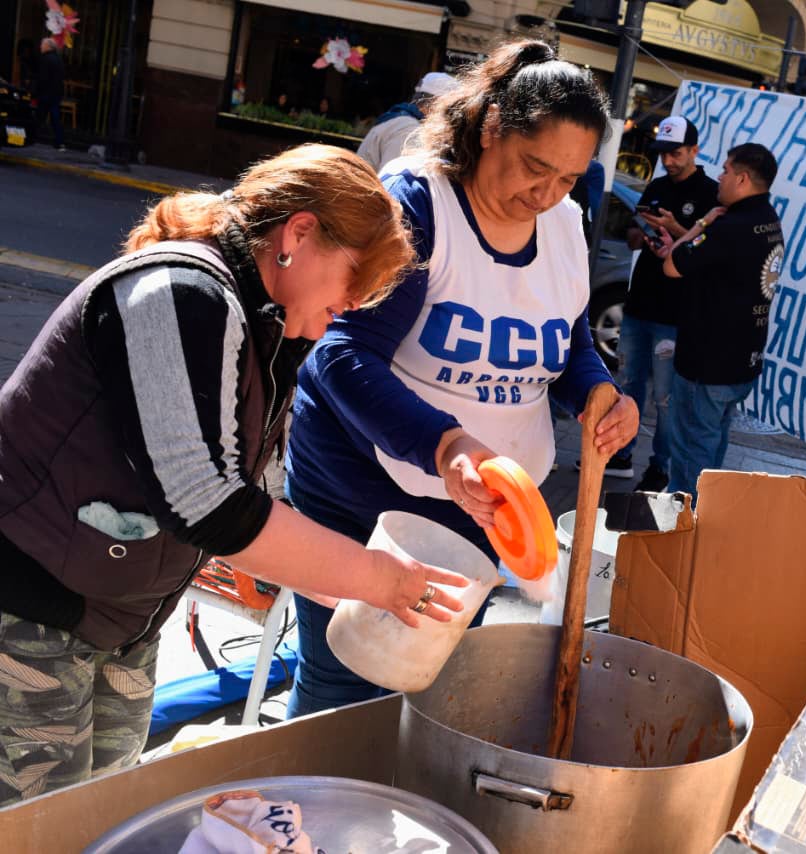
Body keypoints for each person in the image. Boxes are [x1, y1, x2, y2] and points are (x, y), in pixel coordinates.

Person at [0, 144, 467, 805]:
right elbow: (206, 503)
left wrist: (323, 568)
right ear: (298, 234)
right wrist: (375, 579)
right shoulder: (181, 294)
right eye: (352, 282)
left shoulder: (263, 316)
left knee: (94, 821)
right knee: (32, 828)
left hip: (118, 615)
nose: (353, 306)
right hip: (26, 604)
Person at [283, 40, 640, 718]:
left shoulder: (565, 224)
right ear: (491, 127)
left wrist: (598, 394)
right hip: (365, 491)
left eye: (569, 178)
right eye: (536, 168)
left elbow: (562, 344)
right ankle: (309, 816)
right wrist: (448, 447)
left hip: (484, 512)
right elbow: (341, 355)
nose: (547, 194)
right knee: (345, 689)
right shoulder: (421, 204)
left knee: (427, 690)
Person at [652, 142, 783, 502]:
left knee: (691, 455)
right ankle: (702, 518)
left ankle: (682, 527)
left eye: (725, 170)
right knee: (712, 449)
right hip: (741, 361)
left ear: (741, 178)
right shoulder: (768, 220)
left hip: (706, 365)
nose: (720, 176)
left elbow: (671, 265)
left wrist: (703, 222)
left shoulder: (729, 226)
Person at [610, 115, 720, 490]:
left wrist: (675, 228)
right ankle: (621, 452)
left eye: (676, 153)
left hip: (676, 313)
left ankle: (661, 467)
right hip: (639, 304)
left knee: (666, 398)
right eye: (663, 154)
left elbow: (710, 249)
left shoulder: (710, 193)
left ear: (694, 151)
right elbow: (629, 235)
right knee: (627, 382)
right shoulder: (656, 185)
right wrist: (640, 234)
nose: (669, 161)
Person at [357, 71, 458, 172]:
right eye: (450, 109)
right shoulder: (408, 128)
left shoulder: (402, 121)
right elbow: (393, 177)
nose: (450, 117)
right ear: (436, 103)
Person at [33, 37, 65, 151]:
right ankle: (59, 142)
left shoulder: (45, 59)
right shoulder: (58, 59)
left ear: (48, 47)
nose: (40, 47)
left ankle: (31, 137)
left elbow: (42, 78)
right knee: (55, 118)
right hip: (56, 94)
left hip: (46, 94)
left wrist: (35, 93)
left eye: (42, 45)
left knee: (38, 117)